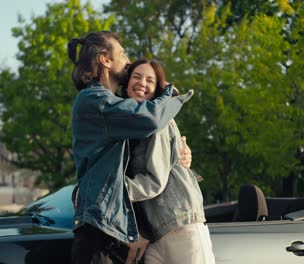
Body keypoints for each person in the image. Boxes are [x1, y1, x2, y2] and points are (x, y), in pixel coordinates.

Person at [67, 31, 194, 264]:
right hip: (98, 235)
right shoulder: (96, 100)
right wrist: (171, 95)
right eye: (122, 54)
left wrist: (180, 149)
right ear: (105, 60)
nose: (127, 60)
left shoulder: (112, 105)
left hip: (111, 233)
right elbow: (150, 118)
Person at [123, 59, 215, 264]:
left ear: (157, 90)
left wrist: (110, 191)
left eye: (150, 80)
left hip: (180, 223)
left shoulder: (158, 121)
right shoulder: (131, 125)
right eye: (136, 77)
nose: (142, 83)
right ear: (127, 82)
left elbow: (154, 180)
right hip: (155, 232)